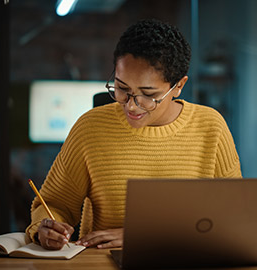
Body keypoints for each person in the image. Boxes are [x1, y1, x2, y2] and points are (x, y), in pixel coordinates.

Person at [26, 19, 242, 250]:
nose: (131, 106)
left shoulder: (211, 126)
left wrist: (143, 236)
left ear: (178, 86)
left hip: (188, 260)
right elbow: (55, 204)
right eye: (122, 89)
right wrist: (46, 227)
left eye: (148, 95)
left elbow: (233, 215)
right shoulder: (90, 128)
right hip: (102, 263)